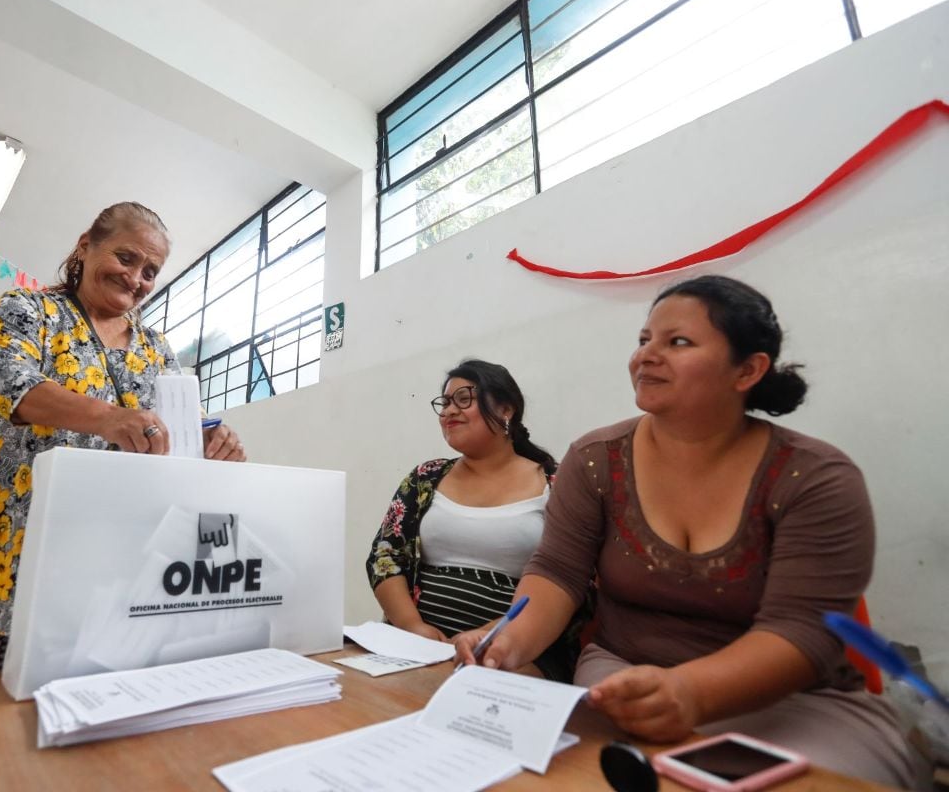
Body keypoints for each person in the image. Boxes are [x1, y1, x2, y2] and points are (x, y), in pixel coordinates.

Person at [455, 275, 917, 786]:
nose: (646, 355)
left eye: (678, 342)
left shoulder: (813, 477)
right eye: (643, 340)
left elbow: (802, 631)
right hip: (624, 683)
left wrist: (690, 692)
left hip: (798, 707)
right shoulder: (595, 461)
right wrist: (509, 641)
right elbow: (557, 573)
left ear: (748, 369)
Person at [0, 202, 246, 678]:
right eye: (126, 257)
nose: (136, 278)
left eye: (151, 271)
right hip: (7, 539)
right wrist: (110, 418)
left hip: (107, 555)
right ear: (85, 246)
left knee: (86, 704)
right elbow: (7, 383)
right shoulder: (27, 309)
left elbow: (184, 421)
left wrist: (217, 438)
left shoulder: (155, 347)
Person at [367, 359, 589, 681]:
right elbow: (384, 555)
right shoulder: (425, 478)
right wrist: (414, 627)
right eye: (444, 403)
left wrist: (488, 636)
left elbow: (575, 578)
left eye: (463, 399)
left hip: (513, 653)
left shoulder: (555, 484)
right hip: (417, 648)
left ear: (505, 410)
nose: (448, 412)